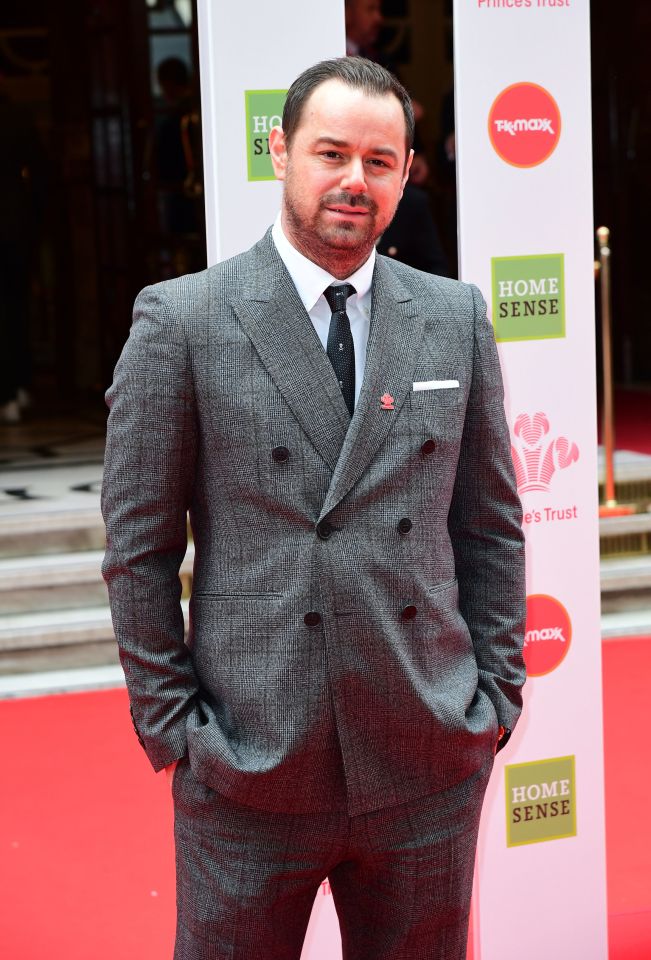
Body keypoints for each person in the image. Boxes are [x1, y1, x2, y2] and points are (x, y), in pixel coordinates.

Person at [102, 57, 526, 960]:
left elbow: (487, 523)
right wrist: (175, 730)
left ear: (407, 172)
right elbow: (137, 549)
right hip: (250, 765)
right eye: (331, 152)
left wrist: (494, 702)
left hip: (425, 756)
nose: (353, 181)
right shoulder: (185, 319)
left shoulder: (453, 316)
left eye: (380, 161)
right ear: (278, 149)